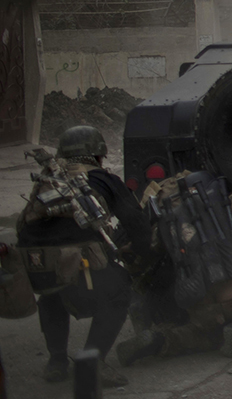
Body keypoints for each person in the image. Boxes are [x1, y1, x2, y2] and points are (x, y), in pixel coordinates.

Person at [16, 125, 153, 387]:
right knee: (119, 290)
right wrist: (140, 255)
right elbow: (138, 225)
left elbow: (23, 226)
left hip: (37, 266)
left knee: (51, 294)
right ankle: (95, 361)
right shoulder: (104, 179)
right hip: (80, 267)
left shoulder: (47, 179)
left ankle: (56, 361)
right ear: (98, 156)